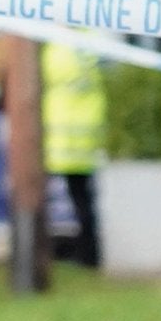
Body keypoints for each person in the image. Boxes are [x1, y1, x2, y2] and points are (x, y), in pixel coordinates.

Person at [39, 36, 108, 271]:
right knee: (83, 202)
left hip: (60, 138)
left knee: (64, 201)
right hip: (84, 137)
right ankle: (89, 254)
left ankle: (71, 254)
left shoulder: (57, 45)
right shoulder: (89, 41)